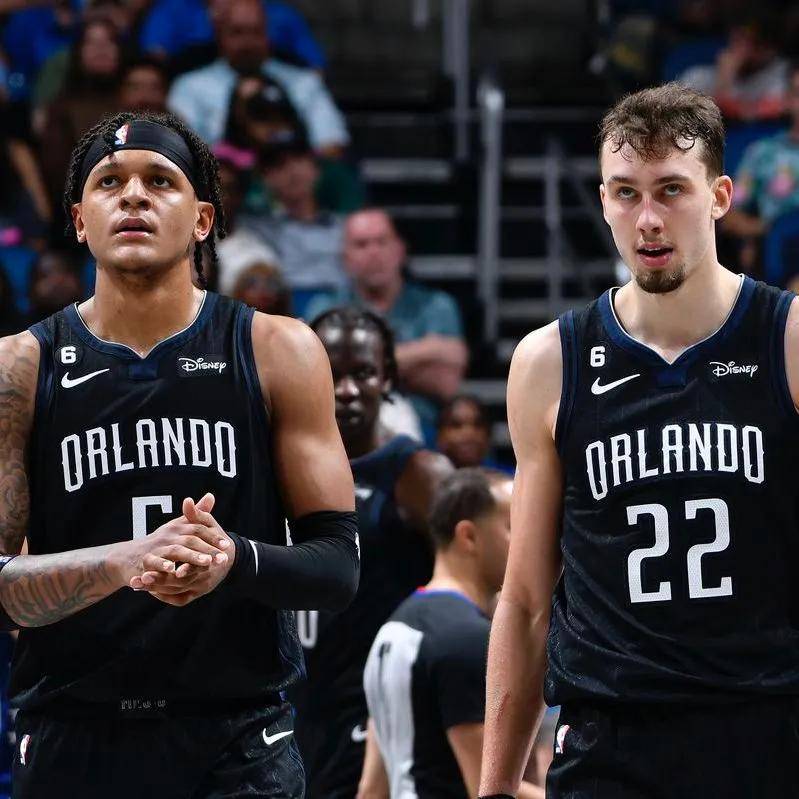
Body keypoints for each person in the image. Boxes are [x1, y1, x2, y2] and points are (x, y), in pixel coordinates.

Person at [0, 109, 360, 798]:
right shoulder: (18, 367)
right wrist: (121, 562)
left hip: (237, 738)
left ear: (202, 220)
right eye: (109, 182)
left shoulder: (275, 349)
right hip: (73, 734)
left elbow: (338, 567)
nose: (133, 196)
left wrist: (234, 560)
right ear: (79, 221)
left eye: (160, 181)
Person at [480, 82, 799, 799]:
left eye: (670, 191)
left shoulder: (787, 340)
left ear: (719, 196)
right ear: (602, 201)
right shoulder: (549, 362)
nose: (648, 220)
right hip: (610, 738)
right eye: (626, 193)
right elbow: (525, 598)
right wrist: (495, 786)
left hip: (765, 723)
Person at [292, 306, 452, 799]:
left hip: (375, 714)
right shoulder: (273, 464)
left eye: (362, 373)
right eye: (331, 372)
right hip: (290, 709)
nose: (346, 389)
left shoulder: (418, 474)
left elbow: (472, 591)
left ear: (387, 378)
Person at [362, 468, 544, 799]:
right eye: (512, 528)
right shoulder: (467, 638)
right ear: (468, 536)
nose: (526, 544)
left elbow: (371, 791)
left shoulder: (393, 627)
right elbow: (487, 788)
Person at [305, 209, 468, 437]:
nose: (374, 253)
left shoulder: (437, 305)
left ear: (400, 249)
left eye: (382, 242)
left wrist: (358, 367)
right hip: (345, 431)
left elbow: (445, 384)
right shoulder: (324, 308)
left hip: (427, 431)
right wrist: (427, 350)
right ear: (345, 257)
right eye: (361, 244)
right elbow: (320, 378)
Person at [167, 0, 347, 153]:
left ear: (268, 34)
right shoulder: (189, 86)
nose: (247, 43)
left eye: (256, 32)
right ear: (219, 35)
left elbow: (332, 144)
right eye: (237, 32)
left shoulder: (304, 83)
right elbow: (180, 152)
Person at [721, 61, 799, 274]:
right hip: (780, 255)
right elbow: (729, 215)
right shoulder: (764, 152)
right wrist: (767, 230)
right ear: (788, 100)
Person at [436, 394, 512, 473]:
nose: (469, 433)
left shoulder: (509, 477)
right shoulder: (428, 478)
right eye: (456, 425)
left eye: (478, 424)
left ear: (488, 434)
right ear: (440, 435)